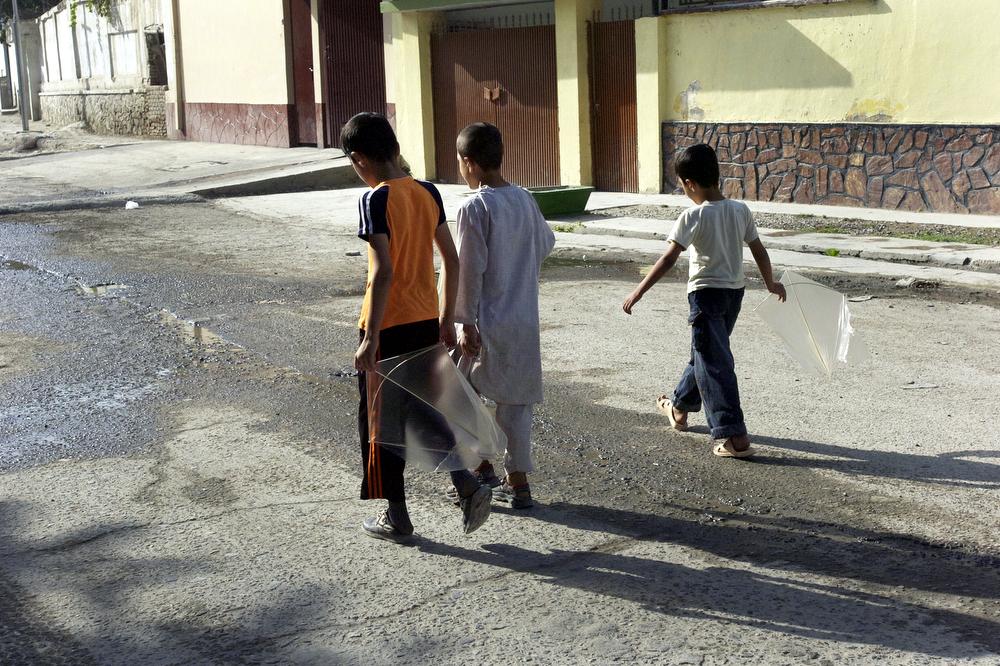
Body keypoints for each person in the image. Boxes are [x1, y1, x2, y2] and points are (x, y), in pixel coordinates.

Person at [345, 112, 492, 542]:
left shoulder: (375, 200)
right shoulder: (427, 192)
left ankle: (397, 515)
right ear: (394, 148)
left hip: (387, 327)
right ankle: (466, 485)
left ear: (359, 159)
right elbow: (451, 259)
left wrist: (371, 337)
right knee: (425, 407)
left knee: (382, 423)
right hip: (425, 321)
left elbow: (382, 272)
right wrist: (445, 319)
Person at [622, 143, 786, 458]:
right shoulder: (740, 210)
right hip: (733, 295)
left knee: (714, 364)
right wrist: (770, 282)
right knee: (706, 354)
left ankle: (733, 436)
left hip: (705, 296)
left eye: (682, 186)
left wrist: (638, 291)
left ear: (690, 183)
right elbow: (759, 250)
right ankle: (679, 408)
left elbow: (668, 258)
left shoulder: (692, 216)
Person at [452, 122, 556, 508]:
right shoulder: (524, 199)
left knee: (459, 392)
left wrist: (465, 321)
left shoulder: (474, 207)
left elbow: (469, 269)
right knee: (515, 404)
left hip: (486, 320)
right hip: (523, 319)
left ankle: (481, 467)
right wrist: (517, 264)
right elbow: (546, 242)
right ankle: (519, 483)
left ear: (469, 162)